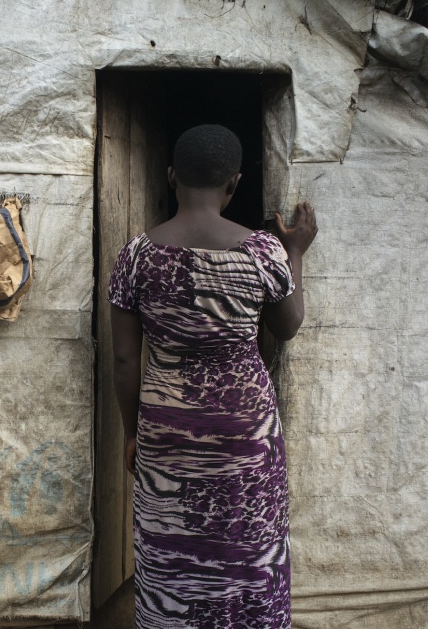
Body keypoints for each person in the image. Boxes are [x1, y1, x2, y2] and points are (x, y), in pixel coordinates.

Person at [108, 124, 317, 628]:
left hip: (167, 424)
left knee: (171, 543)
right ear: (234, 184)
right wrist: (297, 254)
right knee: (246, 544)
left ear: (171, 176)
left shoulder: (135, 257)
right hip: (247, 431)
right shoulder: (265, 252)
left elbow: (123, 360)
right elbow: (287, 328)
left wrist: (133, 431)